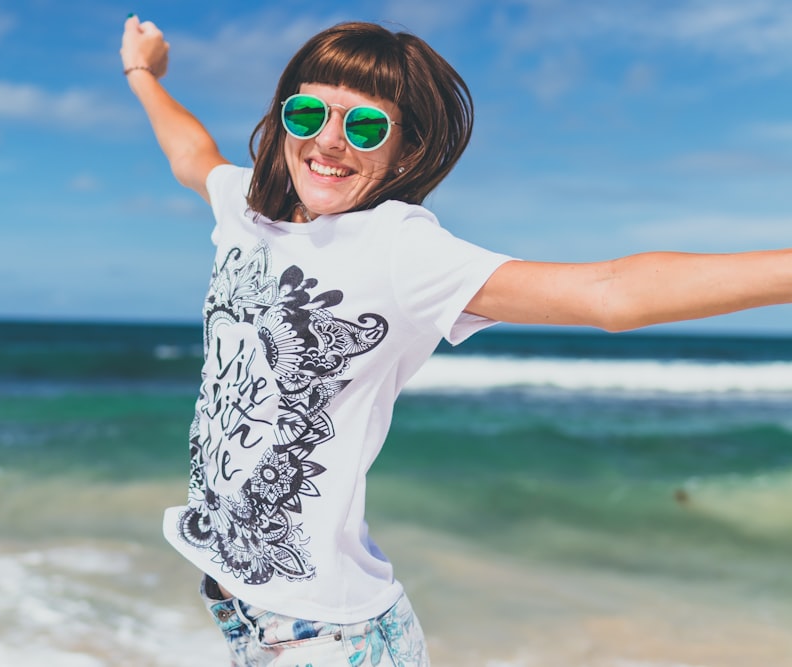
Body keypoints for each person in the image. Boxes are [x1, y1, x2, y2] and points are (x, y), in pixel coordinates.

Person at [119, 14, 791, 666]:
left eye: (364, 125)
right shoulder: (245, 208)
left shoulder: (398, 247)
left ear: (406, 149)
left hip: (328, 639)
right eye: (307, 113)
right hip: (247, 618)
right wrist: (142, 72)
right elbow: (190, 154)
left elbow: (611, 292)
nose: (328, 141)